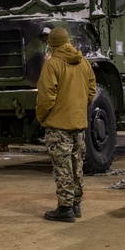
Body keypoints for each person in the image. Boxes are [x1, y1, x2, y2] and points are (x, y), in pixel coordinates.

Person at [36, 27, 96, 223]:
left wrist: (42, 117)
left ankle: (65, 209)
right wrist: (79, 108)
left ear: (51, 45)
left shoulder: (52, 64)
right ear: (68, 41)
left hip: (58, 125)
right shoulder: (84, 62)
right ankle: (76, 204)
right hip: (78, 124)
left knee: (62, 167)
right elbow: (91, 90)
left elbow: (46, 97)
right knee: (77, 165)